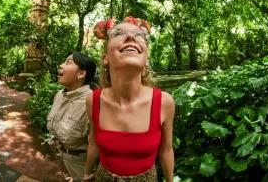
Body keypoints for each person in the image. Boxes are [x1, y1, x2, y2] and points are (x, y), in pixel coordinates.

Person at [82, 17, 175, 182]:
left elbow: (166, 150)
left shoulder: (164, 102)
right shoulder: (93, 100)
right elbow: (93, 143)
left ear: (146, 56)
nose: (130, 37)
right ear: (105, 58)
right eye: (119, 33)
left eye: (138, 35)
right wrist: (87, 173)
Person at [47, 51, 96, 182]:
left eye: (68, 62)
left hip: (81, 164)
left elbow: (95, 143)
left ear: (81, 74)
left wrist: (87, 171)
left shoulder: (92, 101)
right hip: (61, 157)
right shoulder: (59, 94)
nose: (60, 65)